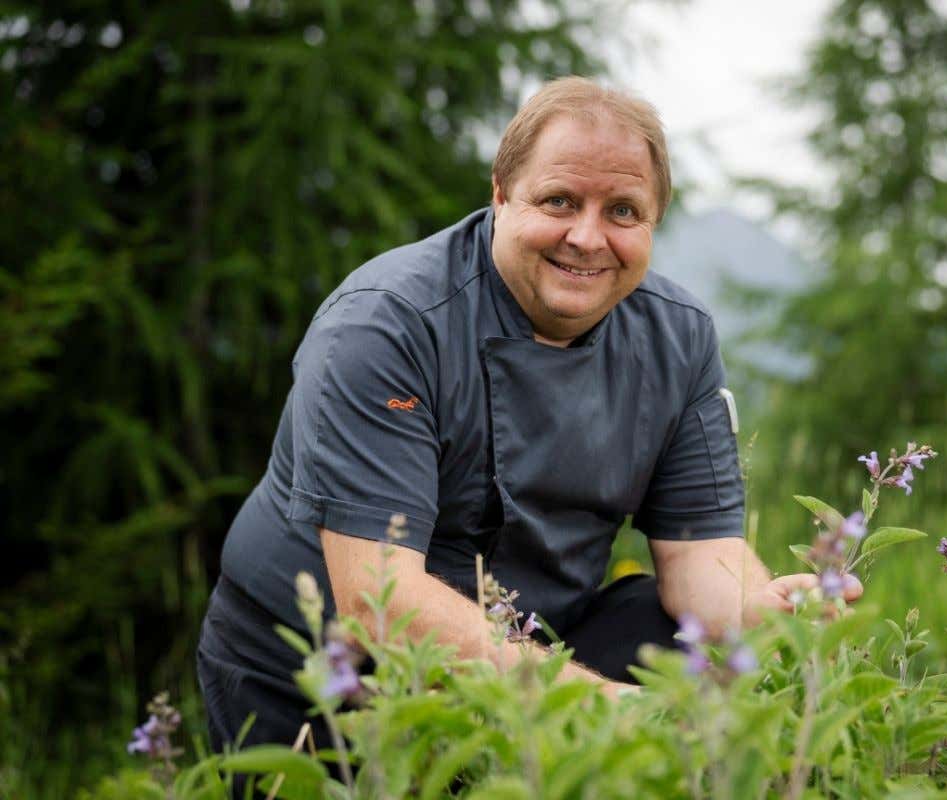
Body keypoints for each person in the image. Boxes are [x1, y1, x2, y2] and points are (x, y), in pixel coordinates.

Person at [197, 76, 861, 757]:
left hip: (536, 646)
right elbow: (378, 600)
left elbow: (699, 552)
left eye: (624, 212)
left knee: (671, 640)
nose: (587, 236)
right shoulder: (386, 327)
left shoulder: (679, 338)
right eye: (559, 201)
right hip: (322, 675)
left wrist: (767, 610)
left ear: (655, 221)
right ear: (500, 193)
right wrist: (599, 706)